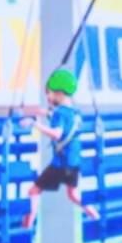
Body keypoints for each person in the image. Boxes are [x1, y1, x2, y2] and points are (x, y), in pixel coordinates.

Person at [21, 68, 100, 230]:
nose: (48, 97)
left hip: (60, 164)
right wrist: (29, 110)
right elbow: (50, 113)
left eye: (49, 93)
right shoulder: (75, 113)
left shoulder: (59, 114)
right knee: (73, 194)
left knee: (33, 191)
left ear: (59, 93)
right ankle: (92, 212)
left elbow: (57, 133)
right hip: (74, 163)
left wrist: (34, 123)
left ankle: (29, 222)